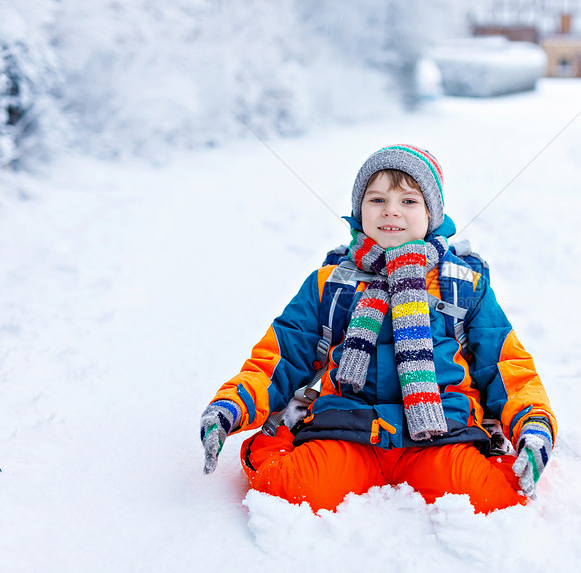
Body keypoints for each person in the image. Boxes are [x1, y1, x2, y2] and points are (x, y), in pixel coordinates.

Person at [200, 144, 557, 514]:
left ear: (431, 214)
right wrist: (231, 405)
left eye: (408, 201)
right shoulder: (332, 284)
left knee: (492, 497)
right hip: (350, 427)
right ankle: (281, 439)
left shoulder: (461, 285)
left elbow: (504, 365)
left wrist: (532, 424)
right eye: (376, 199)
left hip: (441, 433)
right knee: (291, 489)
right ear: (359, 211)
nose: (391, 210)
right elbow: (281, 356)